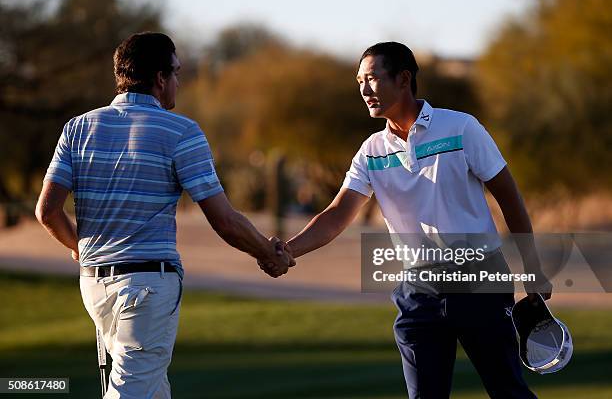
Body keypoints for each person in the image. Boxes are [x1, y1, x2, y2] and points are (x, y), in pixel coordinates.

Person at [266, 42, 551, 398]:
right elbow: (338, 213)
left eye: (372, 78)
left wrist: (533, 268)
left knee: (508, 390)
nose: (364, 90)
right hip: (418, 291)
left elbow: (510, 198)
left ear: (404, 79)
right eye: (359, 82)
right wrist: (288, 251)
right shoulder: (371, 151)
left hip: (480, 282)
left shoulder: (461, 128)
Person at [35, 32, 293, 398]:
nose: (178, 82)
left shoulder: (78, 128)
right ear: (159, 78)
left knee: (151, 388)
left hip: (94, 285)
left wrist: (79, 246)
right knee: (131, 390)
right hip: (147, 287)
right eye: (176, 73)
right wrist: (267, 253)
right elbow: (224, 220)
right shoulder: (180, 132)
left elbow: (47, 211)